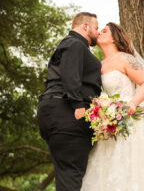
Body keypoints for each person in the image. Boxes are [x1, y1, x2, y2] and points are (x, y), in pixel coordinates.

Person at [80, 23, 144, 191]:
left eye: (104, 31)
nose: (100, 33)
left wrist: (132, 103)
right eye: (100, 31)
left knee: (128, 171)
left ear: (114, 38)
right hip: (107, 127)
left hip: (128, 123)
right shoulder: (99, 65)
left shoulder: (125, 59)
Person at [37, 12, 102, 191]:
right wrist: (78, 105)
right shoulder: (75, 43)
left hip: (56, 112)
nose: (98, 32)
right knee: (72, 177)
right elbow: (70, 75)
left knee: (67, 175)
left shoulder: (72, 45)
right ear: (85, 26)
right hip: (68, 113)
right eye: (96, 28)